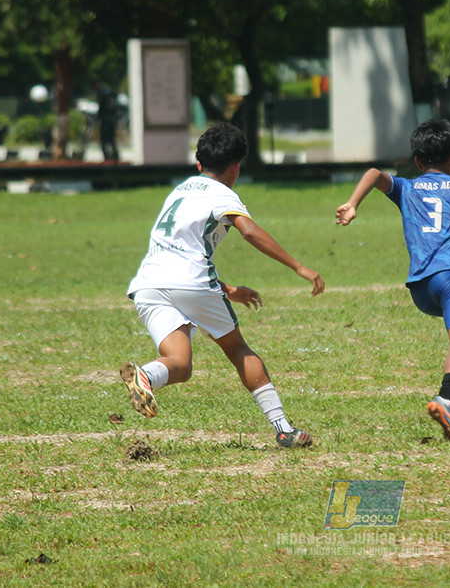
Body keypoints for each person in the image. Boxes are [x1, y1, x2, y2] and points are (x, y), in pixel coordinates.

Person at [122, 122, 325, 448]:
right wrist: (298, 266)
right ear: (236, 167)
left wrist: (228, 290)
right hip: (191, 283)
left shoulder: (180, 190)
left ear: (199, 164)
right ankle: (283, 429)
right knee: (236, 348)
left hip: (148, 284)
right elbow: (250, 231)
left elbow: (180, 252)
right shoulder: (223, 194)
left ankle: (145, 375)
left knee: (180, 364)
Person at [335, 119, 450, 441]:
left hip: (421, 289)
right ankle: (447, 400)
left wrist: (353, 204)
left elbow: (374, 173)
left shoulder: (407, 188)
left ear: (418, 161)